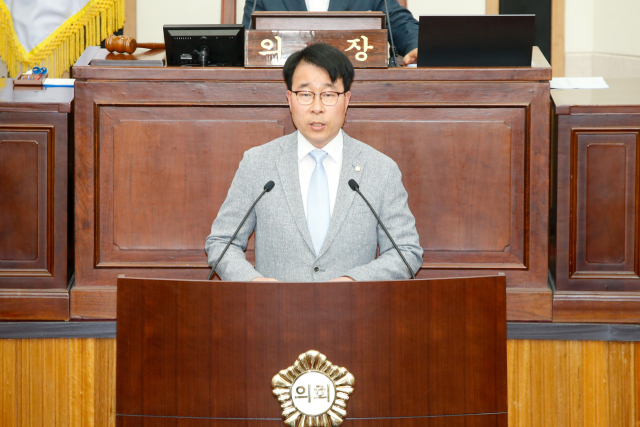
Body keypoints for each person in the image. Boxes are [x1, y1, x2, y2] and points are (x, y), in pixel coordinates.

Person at [205, 43, 422, 282]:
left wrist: (354, 282)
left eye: (329, 95)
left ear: (346, 100)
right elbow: (222, 242)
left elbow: (406, 251)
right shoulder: (258, 163)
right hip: (274, 313)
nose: (317, 108)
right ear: (289, 99)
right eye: (305, 94)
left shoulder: (381, 169)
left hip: (355, 313)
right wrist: (255, 285)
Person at [243, 0, 419, 65]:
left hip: (356, 89)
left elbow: (400, 22)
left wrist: (419, 47)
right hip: (285, 91)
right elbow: (246, 43)